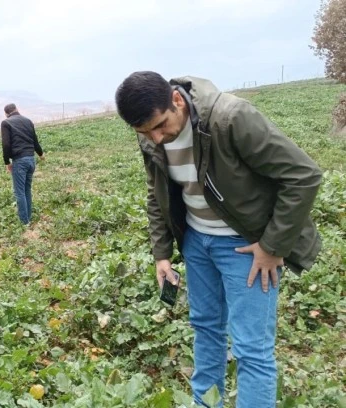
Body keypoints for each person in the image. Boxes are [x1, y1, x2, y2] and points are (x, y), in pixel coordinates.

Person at [115, 72, 322, 407]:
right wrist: (162, 253)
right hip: (197, 243)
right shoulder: (151, 136)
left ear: (177, 101)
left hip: (246, 247)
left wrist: (272, 247)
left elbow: (303, 175)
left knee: (251, 348)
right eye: (144, 132)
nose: (156, 137)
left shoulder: (231, 118)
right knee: (206, 330)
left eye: (160, 125)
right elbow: (157, 194)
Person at [0, 103, 45, 225]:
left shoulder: (6, 123)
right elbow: (35, 140)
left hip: (19, 161)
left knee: (19, 192)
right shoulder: (28, 121)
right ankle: (28, 217)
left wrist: (7, 162)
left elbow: (6, 144)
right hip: (31, 159)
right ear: (16, 109)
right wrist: (40, 154)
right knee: (26, 190)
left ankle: (24, 222)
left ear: (6, 113)